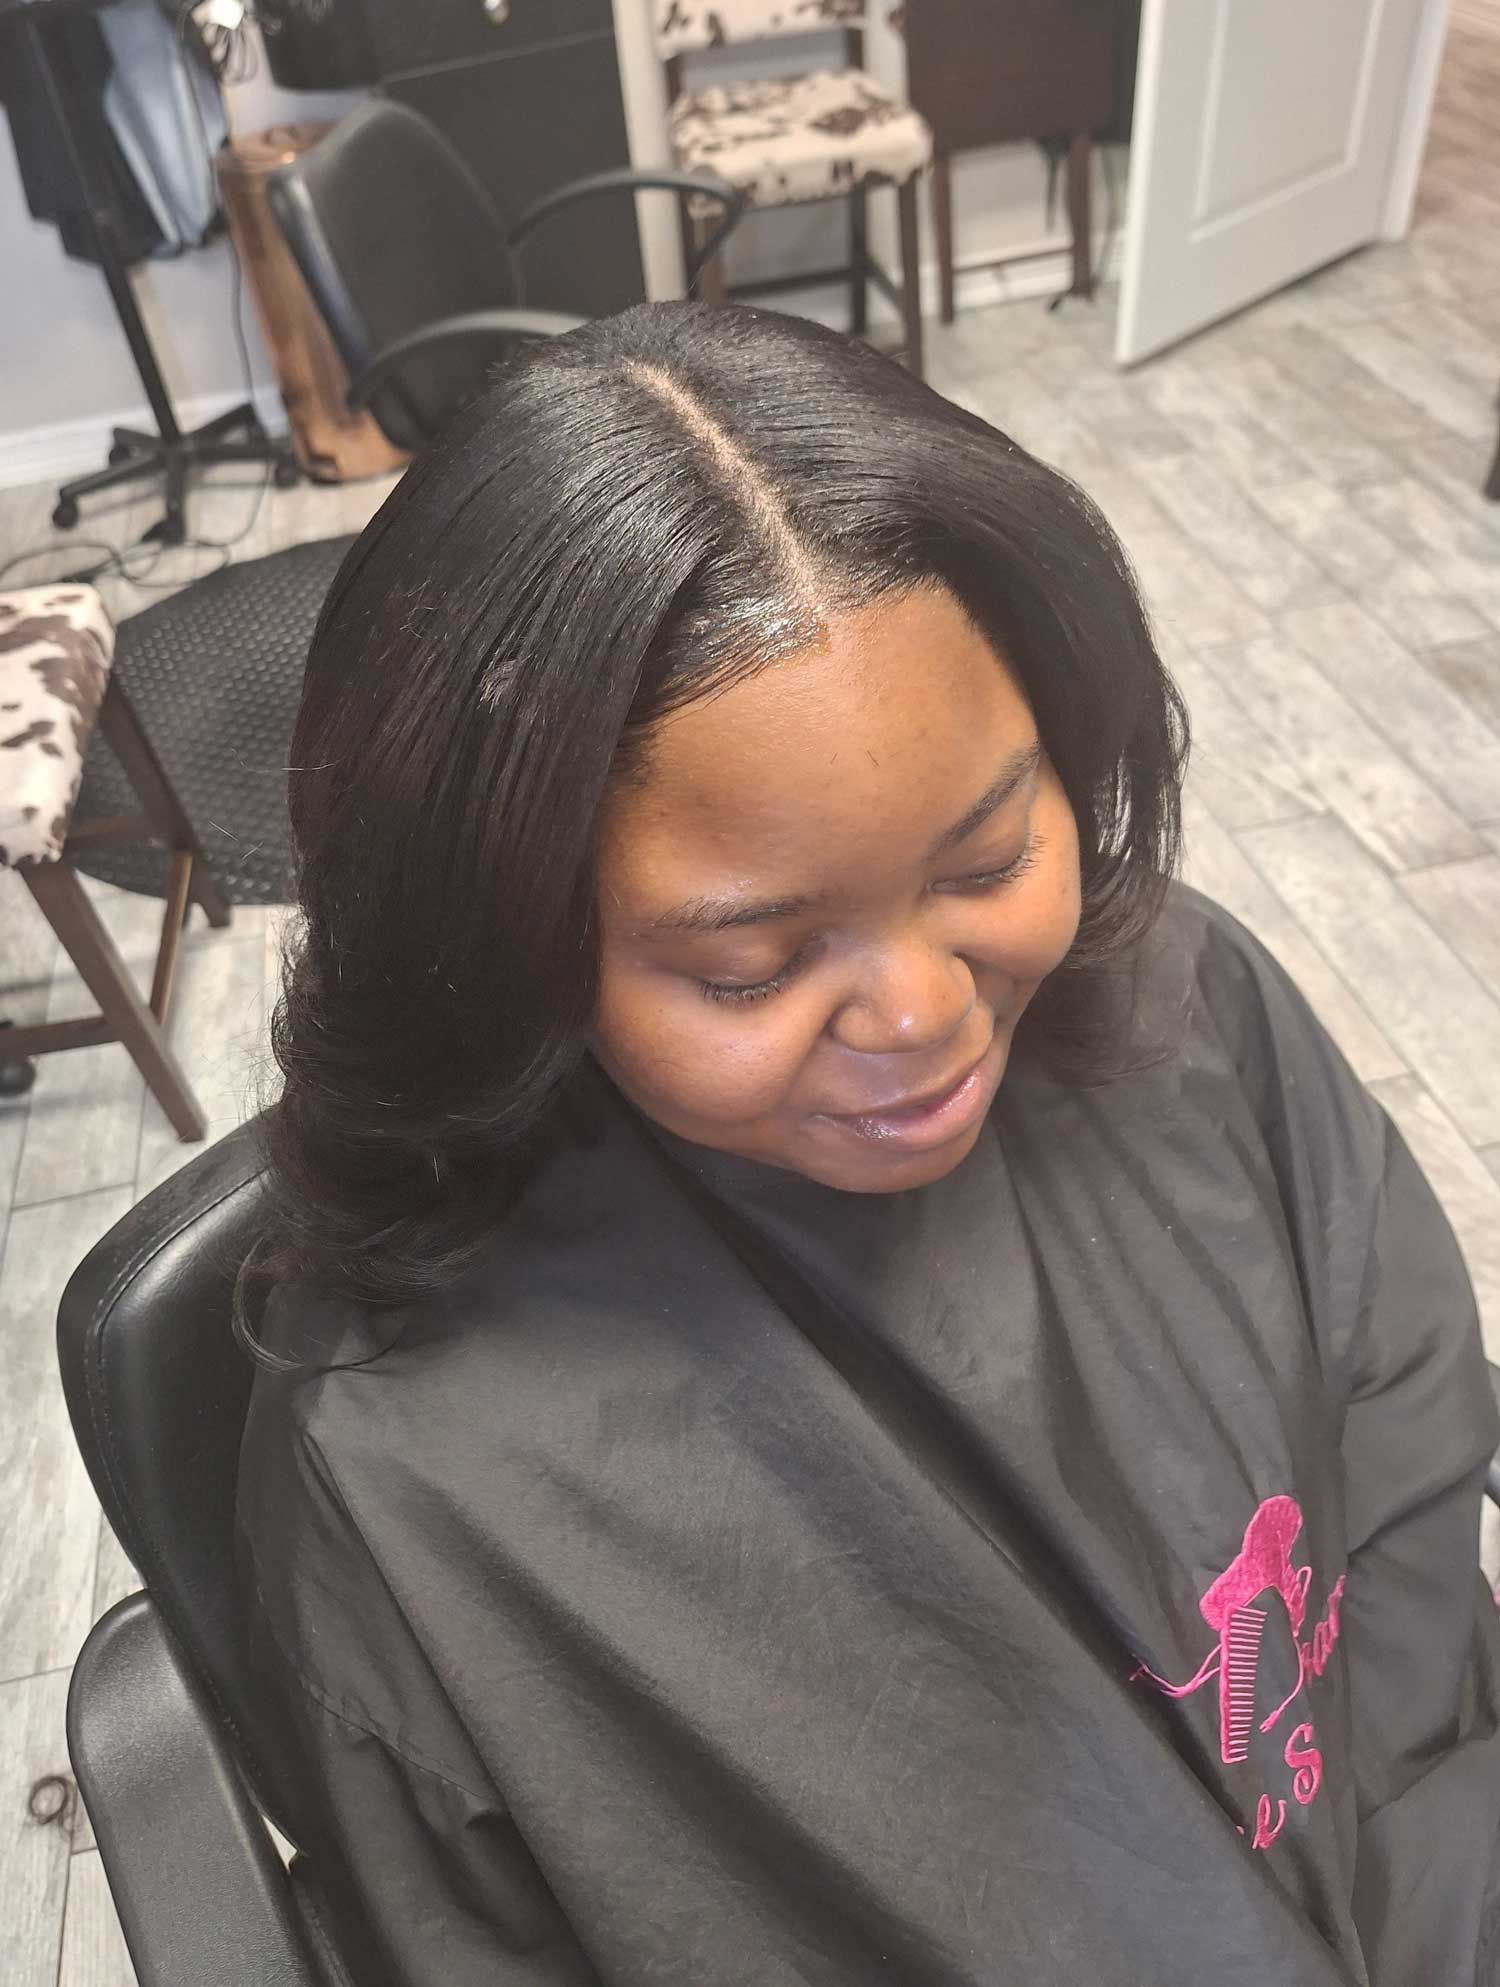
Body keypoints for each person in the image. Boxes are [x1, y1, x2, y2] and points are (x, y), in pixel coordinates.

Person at [235, 302, 1500, 1987]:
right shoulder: (423, 1485)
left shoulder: (1182, 1001)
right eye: (750, 965)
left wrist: (1405, 1859)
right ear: (514, 940)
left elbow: (1398, 1428)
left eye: (984, 864)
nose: (920, 1013)